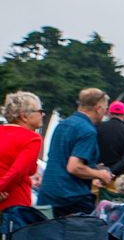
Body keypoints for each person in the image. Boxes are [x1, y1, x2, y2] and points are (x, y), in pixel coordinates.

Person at [37, 88, 114, 217]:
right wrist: (100, 174)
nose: (105, 113)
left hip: (48, 194)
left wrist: (91, 170)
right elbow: (74, 167)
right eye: (105, 109)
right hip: (71, 199)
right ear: (98, 108)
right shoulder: (87, 130)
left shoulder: (62, 125)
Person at [0, 91, 44, 211]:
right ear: (24, 116)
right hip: (13, 202)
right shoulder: (33, 138)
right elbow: (18, 171)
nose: (43, 114)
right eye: (40, 111)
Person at [96, 100, 124, 176]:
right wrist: (110, 172)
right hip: (116, 176)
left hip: (95, 173)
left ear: (109, 113)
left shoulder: (97, 127)